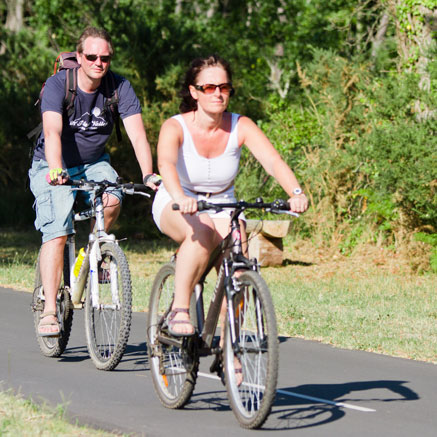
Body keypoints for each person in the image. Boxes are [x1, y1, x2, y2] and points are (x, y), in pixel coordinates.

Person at [152, 54, 309, 337]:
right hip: (178, 198)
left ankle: (231, 346)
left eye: (224, 88)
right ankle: (180, 309)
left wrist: (295, 192)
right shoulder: (175, 126)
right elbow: (166, 165)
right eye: (209, 88)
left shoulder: (241, 125)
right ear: (194, 92)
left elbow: (273, 162)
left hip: (223, 202)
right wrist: (180, 198)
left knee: (238, 267)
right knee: (202, 231)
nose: (218, 94)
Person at [29, 27, 158, 336]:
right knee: (58, 230)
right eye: (92, 56)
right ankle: (49, 311)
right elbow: (52, 133)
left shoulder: (119, 87)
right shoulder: (60, 85)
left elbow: (137, 135)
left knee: (114, 196)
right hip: (52, 164)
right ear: (80, 57)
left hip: (94, 163)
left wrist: (148, 174)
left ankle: (93, 251)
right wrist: (57, 170)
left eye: (105, 57)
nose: (99, 62)